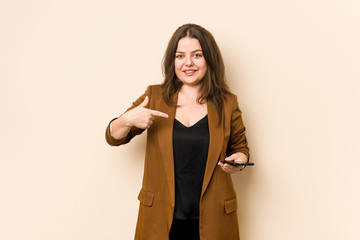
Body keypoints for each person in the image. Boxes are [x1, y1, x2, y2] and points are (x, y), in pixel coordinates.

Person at [105, 23, 250, 240]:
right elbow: (113, 137)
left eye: (197, 55)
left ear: (209, 59)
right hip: (161, 216)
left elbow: (241, 149)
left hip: (214, 217)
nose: (188, 62)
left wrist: (238, 160)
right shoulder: (154, 96)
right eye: (180, 56)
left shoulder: (228, 103)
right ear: (172, 61)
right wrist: (126, 119)